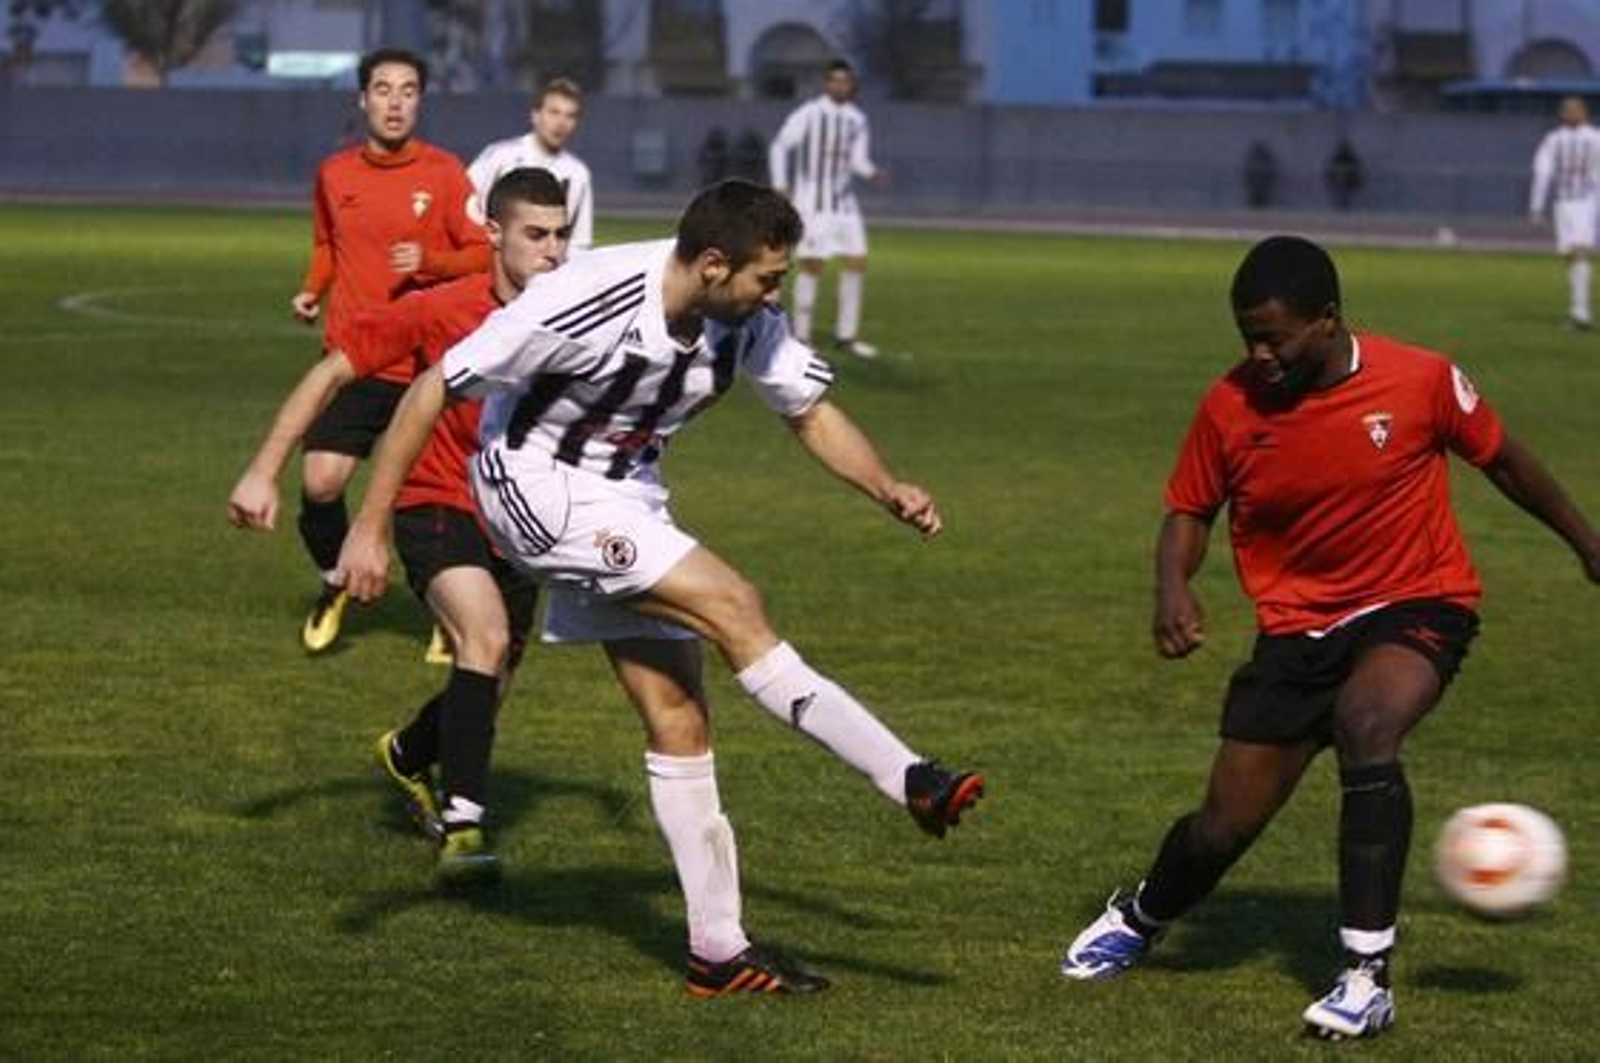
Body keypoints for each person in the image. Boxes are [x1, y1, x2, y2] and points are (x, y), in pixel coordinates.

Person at [337, 178, 986, 996]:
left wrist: (887, 486)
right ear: (714, 265)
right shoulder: (586, 296)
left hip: (627, 497)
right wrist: (371, 524)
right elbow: (435, 384)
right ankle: (911, 778)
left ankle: (718, 951)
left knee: (680, 715)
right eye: (768, 279)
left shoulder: (742, 318)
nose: (775, 294)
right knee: (735, 603)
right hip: (536, 488)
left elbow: (810, 412)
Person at [1059, 236, 1600, 1039]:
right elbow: (1190, 510)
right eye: (1246, 334)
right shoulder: (1230, 404)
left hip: (1418, 601)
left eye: (1274, 335)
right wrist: (1172, 586)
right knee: (1223, 824)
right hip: (1294, 631)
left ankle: (1365, 976)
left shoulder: (1420, 379)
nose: (1259, 353)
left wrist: (1587, 543)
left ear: (1327, 320)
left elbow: (1508, 462)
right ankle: (1140, 915)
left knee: (1368, 722)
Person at [233, 169, 572, 881]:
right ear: (494, 234)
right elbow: (330, 374)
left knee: (495, 672)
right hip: (433, 501)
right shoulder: (440, 308)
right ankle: (466, 830)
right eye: (536, 235)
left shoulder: (569, 317)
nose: (553, 250)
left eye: (561, 234)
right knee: (482, 637)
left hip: (517, 517)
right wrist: (264, 469)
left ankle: (409, 753)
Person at [292, 46, 490, 657]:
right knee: (321, 482)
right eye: (383, 89)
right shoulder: (334, 174)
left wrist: (432, 262)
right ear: (362, 98)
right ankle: (336, 580)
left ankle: (448, 608)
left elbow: (484, 252)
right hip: (356, 357)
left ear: (420, 100)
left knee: (431, 501)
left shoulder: (446, 172)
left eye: (407, 90)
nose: (395, 101)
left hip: (425, 366)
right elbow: (327, 243)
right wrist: (311, 288)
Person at [767, 58, 885, 359]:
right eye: (835, 80)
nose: (840, 85)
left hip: (844, 204)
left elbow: (857, 160)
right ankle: (803, 336)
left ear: (851, 84)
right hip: (812, 204)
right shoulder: (809, 114)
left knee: (857, 262)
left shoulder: (857, 119)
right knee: (813, 265)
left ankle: (847, 336)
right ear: (826, 83)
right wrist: (781, 184)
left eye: (845, 81)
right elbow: (780, 146)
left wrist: (871, 172)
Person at [468, 77, 594, 252]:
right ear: (535, 115)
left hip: (548, 273)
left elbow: (580, 241)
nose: (561, 123)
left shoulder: (578, 173)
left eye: (570, 116)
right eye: (554, 112)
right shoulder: (501, 155)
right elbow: (466, 207)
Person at [1528, 95, 1600, 330]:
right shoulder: (1554, 139)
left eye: (1575, 110)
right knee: (1569, 255)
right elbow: (1542, 172)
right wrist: (1536, 206)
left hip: (1586, 201)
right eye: (1567, 110)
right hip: (1562, 203)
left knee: (1580, 252)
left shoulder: (1594, 138)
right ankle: (1578, 310)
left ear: (1584, 112)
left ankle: (1581, 315)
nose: (1571, 113)